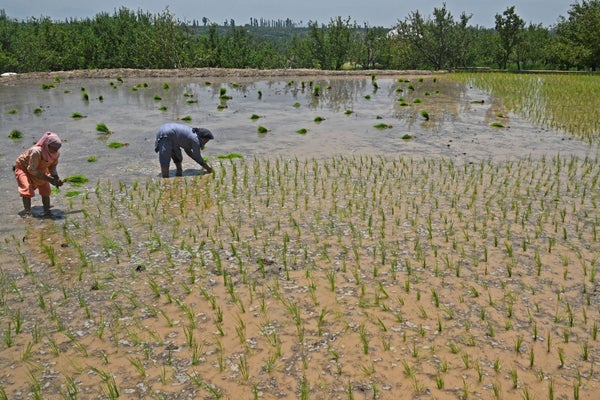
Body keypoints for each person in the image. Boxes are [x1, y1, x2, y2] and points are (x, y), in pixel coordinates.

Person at [14, 131, 64, 217]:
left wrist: (55, 178)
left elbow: (52, 166)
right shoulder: (36, 152)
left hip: (40, 168)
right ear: (47, 145)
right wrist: (49, 179)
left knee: (45, 189)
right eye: (54, 148)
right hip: (24, 167)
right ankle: (27, 213)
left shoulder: (55, 153)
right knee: (27, 188)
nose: (56, 150)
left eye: (57, 149)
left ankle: (47, 211)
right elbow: (32, 169)